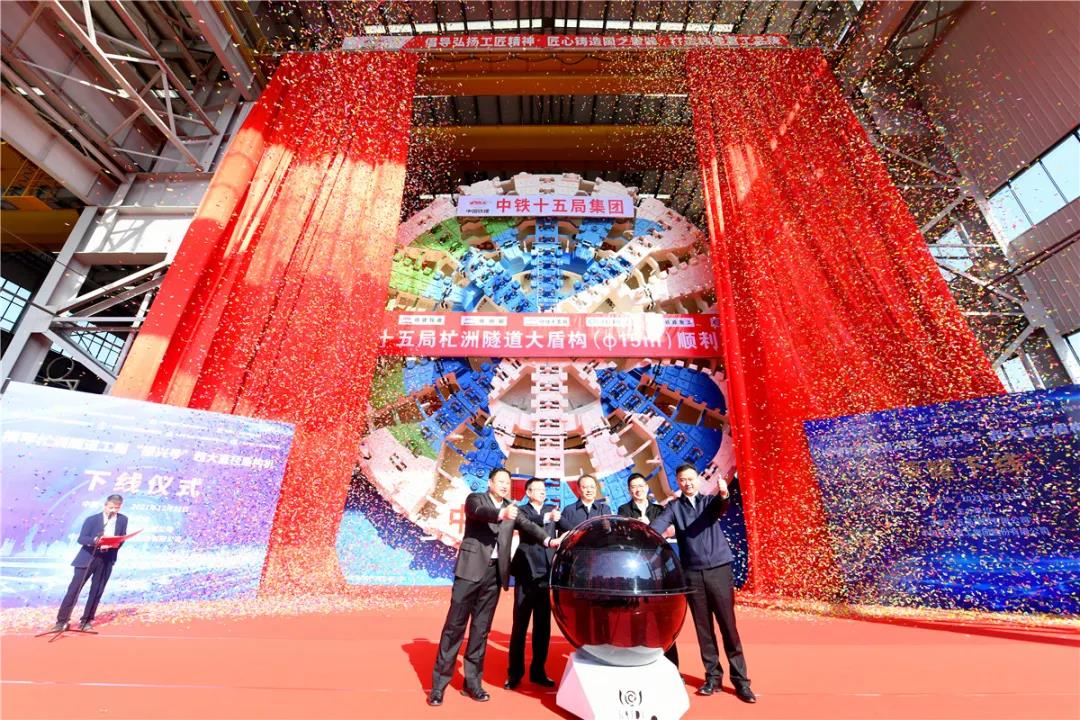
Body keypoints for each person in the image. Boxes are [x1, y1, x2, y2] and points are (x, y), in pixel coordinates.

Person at [429, 468, 560, 707]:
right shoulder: (476, 499)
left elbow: (528, 525)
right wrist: (501, 513)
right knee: (454, 627)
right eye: (500, 481)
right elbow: (479, 512)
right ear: (490, 483)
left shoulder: (512, 507)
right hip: (470, 571)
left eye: (507, 482)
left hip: (494, 575)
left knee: (481, 630)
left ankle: (472, 683)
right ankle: (438, 686)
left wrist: (549, 540)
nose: (504, 485)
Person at [651, 464, 756, 704]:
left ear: (697, 480)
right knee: (704, 629)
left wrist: (724, 493)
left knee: (728, 626)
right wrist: (643, 533)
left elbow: (721, 506)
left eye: (690, 478)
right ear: (678, 482)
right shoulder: (674, 507)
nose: (687, 483)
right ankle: (713, 677)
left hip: (718, 569)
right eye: (682, 479)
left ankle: (741, 681)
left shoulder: (708, 502)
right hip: (692, 574)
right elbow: (658, 526)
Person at [617, 472, 679, 668]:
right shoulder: (624, 510)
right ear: (629, 490)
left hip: (658, 566)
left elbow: (668, 531)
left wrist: (651, 528)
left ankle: (671, 665)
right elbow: (624, 534)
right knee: (636, 615)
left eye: (641, 486)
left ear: (647, 487)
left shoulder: (659, 510)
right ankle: (638, 659)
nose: (638, 490)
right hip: (637, 570)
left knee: (663, 617)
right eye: (634, 487)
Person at [505, 478, 560, 690]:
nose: (542, 492)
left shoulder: (552, 509)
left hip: (546, 575)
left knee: (542, 627)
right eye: (538, 489)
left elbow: (567, 526)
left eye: (544, 489)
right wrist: (548, 517)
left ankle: (538, 672)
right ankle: (514, 674)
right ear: (528, 493)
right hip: (526, 573)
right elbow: (527, 524)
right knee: (520, 625)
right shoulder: (521, 511)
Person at [50, 494, 128, 633]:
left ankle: (86, 621)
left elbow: (122, 538)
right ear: (105, 505)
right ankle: (62, 621)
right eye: (111, 507)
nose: (113, 510)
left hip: (106, 558)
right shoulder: (92, 519)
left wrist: (115, 543)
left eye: (117, 508)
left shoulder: (123, 520)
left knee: (97, 591)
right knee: (74, 589)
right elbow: (81, 539)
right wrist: (95, 540)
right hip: (88, 557)